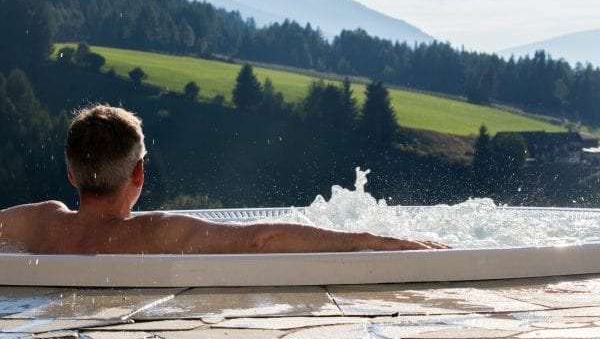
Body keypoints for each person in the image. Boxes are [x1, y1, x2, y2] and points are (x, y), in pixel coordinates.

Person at [0, 104, 449, 254]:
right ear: (139, 173)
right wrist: (368, 240)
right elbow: (261, 238)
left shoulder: (40, 223)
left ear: (70, 172)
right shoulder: (151, 233)